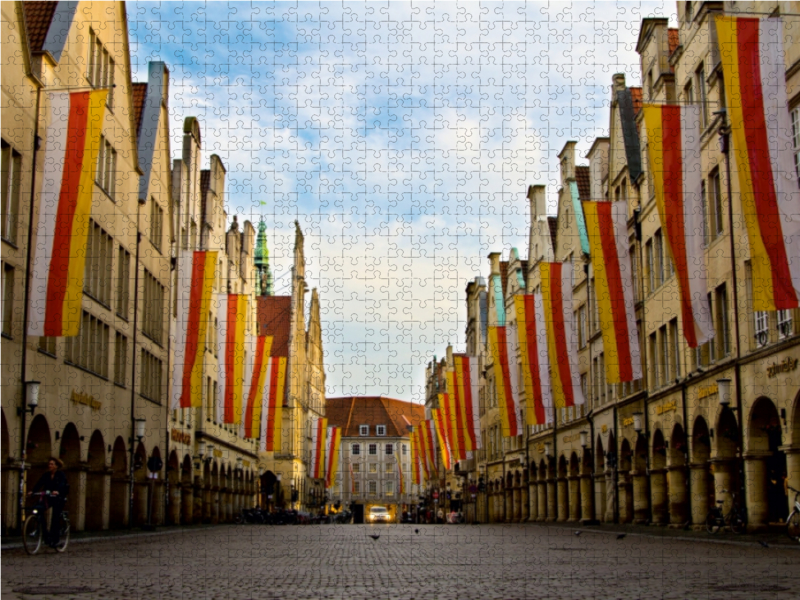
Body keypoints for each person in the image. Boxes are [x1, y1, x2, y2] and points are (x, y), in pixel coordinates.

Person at [31, 457, 68, 547]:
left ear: (56, 466)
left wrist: (57, 490)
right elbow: (39, 483)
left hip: (58, 498)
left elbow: (62, 484)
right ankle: (46, 535)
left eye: (52, 464)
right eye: (49, 464)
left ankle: (56, 540)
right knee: (38, 510)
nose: (50, 466)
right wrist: (33, 491)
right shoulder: (46, 475)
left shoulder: (61, 475)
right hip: (48, 498)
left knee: (55, 517)